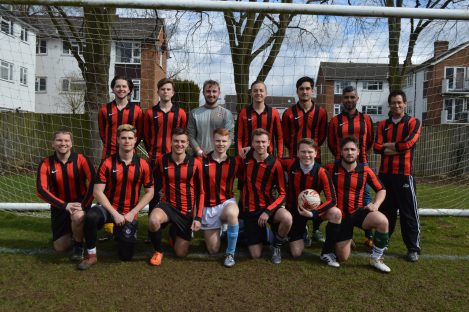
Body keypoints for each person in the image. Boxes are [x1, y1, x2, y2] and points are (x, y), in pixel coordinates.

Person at [77, 124, 154, 270]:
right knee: (91, 216)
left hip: (129, 214)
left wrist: (133, 213)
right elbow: (97, 192)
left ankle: (120, 235)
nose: (127, 141)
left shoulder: (143, 164)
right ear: (117, 140)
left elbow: (150, 192)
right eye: (123, 138)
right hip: (109, 209)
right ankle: (91, 255)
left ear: (135, 140)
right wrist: (114, 213)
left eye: (130, 138)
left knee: (125, 256)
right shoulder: (107, 162)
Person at [326, 136, 391, 273]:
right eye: (346, 149)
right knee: (342, 257)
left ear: (358, 152)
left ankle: (376, 259)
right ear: (341, 152)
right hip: (340, 217)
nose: (349, 152)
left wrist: (376, 204)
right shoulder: (330, 169)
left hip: (358, 212)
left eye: (352, 149)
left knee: (383, 221)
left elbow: (381, 189)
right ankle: (347, 240)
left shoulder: (365, 170)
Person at [373, 90, 422, 262]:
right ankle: (382, 243)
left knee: (409, 213)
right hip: (385, 175)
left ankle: (413, 248)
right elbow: (376, 147)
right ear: (389, 105)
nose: (396, 105)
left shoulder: (413, 122)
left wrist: (390, 147)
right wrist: (398, 148)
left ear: (405, 104)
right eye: (393, 102)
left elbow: (409, 143)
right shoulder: (382, 125)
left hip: (404, 175)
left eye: (399, 102)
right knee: (386, 212)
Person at [280, 138, 342, 266]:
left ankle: (327, 252)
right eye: (303, 152)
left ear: (316, 153)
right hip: (294, 211)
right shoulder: (291, 164)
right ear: (297, 153)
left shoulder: (322, 172)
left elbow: (332, 200)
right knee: (296, 253)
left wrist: (313, 213)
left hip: (315, 211)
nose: (306, 155)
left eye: (310, 152)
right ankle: (302, 231)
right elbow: (269, 159)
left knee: (336, 213)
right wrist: (249, 150)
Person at [148, 128, 205, 266]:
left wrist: (198, 217)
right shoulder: (162, 160)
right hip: (167, 206)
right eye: (176, 141)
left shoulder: (196, 163)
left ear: (187, 144)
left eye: (183, 141)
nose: (179, 144)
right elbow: (152, 181)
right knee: (154, 220)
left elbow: (201, 192)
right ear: (171, 142)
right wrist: (158, 193)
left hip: (186, 211)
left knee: (180, 253)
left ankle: (174, 233)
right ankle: (158, 251)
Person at [281, 76, 328, 243]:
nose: (305, 91)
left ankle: (316, 228)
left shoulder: (321, 113)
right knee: (294, 194)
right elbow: (286, 137)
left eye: (308, 88)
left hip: (314, 160)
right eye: (302, 89)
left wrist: (310, 152)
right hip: (295, 160)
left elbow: (322, 136)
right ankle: (301, 227)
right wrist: (298, 152)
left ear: (312, 91)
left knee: (315, 196)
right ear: (297, 91)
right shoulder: (288, 113)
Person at [36, 129, 95, 260]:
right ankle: (78, 233)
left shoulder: (81, 159)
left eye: (66, 140)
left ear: (71, 143)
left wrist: (84, 205)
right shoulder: (46, 163)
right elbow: (41, 189)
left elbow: (94, 182)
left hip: (79, 204)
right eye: (59, 140)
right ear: (53, 143)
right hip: (60, 207)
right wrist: (64, 205)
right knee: (60, 247)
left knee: (78, 217)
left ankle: (79, 246)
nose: (63, 143)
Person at [327, 85, 374, 247]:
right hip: (341, 165)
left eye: (352, 97)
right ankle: (345, 234)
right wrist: (342, 157)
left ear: (357, 99)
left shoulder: (366, 119)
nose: (349, 100)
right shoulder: (335, 121)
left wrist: (358, 156)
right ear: (342, 100)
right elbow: (332, 143)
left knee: (365, 198)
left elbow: (369, 142)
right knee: (342, 200)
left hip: (362, 164)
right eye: (346, 97)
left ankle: (369, 235)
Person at [239, 128, 291, 264]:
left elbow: (283, 194)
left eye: (263, 142)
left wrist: (268, 212)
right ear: (252, 143)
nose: (260, 145)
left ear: (269, 143)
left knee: (287, 218)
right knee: (255, 255)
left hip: (269, 207)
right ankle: (263, 234)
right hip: (250, 209)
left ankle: (277, 246)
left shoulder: (275, 164)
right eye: (257, 142)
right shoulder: (245, 160)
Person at [200, 128, 240, 267]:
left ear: (229, 143)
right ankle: (224, 232)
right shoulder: (202, 160)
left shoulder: (235, 162)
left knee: (232, 213)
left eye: (224, 141)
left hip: (226, 202)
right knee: (213, 250)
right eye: (217, 140)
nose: (220, 144)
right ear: (212, 141)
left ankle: (230, 253)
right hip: (208, 206)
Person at [143, 78, 187, 167]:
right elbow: (146, 135)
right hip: (155, 156)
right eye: (162, 89)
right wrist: (151, 150)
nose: (165, 92)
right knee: (154, 181)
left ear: (173, 93)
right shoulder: (150, 112)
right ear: (158, 92)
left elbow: (184, 135)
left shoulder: (181, 113)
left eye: (168, 89)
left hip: (175, 156)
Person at [98, 76, 143, 159]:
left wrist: (129, 145)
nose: (121, 89)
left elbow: (139, 133)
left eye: (124, 86)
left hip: (129, 154)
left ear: (129, 90)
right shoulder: (104, 109)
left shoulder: (137, 110)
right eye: (118, 86)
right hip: (109, 154)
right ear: (113, 89)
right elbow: (102, 132)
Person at [187, 80, 235, 157]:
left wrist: (221, 151)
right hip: (199, 157)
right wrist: (199, 151)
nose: (211, 94)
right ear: (203, 93)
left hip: (219, 157)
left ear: (219, 93)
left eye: (214, 91)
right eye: (208, 91)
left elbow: (230, 135)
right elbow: (190, 135)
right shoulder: (194, 113)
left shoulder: (226, 113)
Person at [236, 80, 283, 158]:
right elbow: (239, 137)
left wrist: (279, 156)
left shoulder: (274, 113)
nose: (258, 93)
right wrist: (240, 153)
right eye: (255, 91)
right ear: (251, 94)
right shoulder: (243, 113)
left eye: (261, 90)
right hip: (248, 156)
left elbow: (279, 137)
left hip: (268, 156)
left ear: (266, 93)